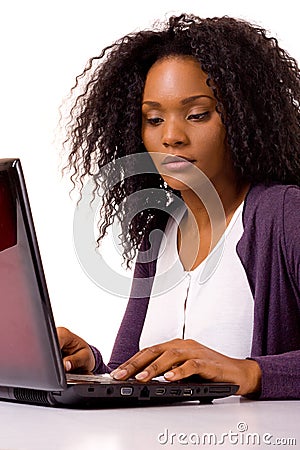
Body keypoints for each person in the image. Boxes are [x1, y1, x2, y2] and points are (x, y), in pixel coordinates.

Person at [58, 13, 300, 400]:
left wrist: (251, 372)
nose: (171, 136)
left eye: (197, 114)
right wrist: (92, 365)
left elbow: (247, 374)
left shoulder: (283, 214)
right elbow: (133, 373)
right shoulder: (159, 235)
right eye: (153, 119)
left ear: (241, 116)